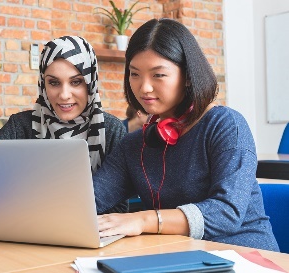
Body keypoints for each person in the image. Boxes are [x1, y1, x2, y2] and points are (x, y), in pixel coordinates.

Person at [92, 18, 280, 251]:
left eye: (158, 75)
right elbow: (92, 199)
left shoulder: (225, 125)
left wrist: (143, 219)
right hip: (179, 255)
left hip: (245, 254)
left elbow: (227, 212)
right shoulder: (134, 145)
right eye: (135, 74)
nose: (144, 88)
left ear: (188, 76)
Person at [0, 36, 128, 217]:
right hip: (24, 236)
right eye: (54, 82)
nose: (64, 95)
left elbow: (119, 207)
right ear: (42, 84)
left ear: (90, 82)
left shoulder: (110, 129)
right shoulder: (22, 126)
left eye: (76, 82)